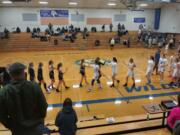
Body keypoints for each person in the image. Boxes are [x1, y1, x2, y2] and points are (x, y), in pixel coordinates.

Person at [0, 62, 48, 135]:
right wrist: (38, 122)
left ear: (10, 75)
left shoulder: (4, 92)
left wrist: (11, 126)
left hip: (18, 130)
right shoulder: (35, 86)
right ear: (23, 73)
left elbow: (2, 115)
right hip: (36, 129)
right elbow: (43, 107)